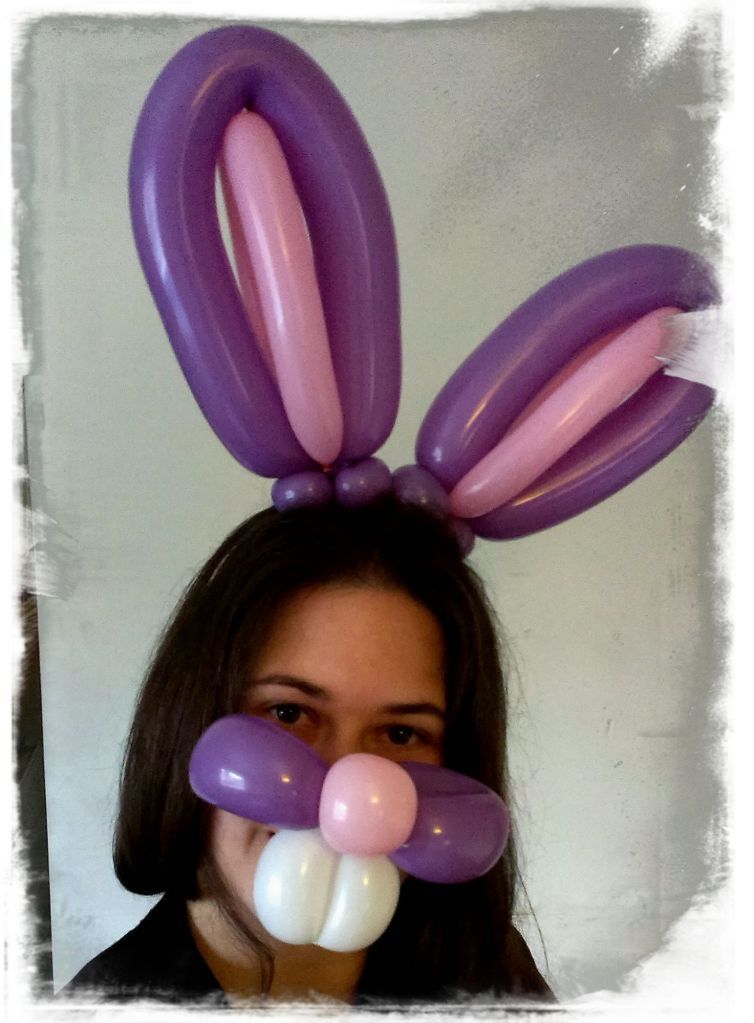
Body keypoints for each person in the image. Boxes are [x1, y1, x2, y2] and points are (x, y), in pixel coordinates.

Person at [63, 494, 553, 1005]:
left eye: (400, 734)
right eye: (288, 712)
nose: (344, 796)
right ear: (191, 722)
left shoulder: (492, 969)